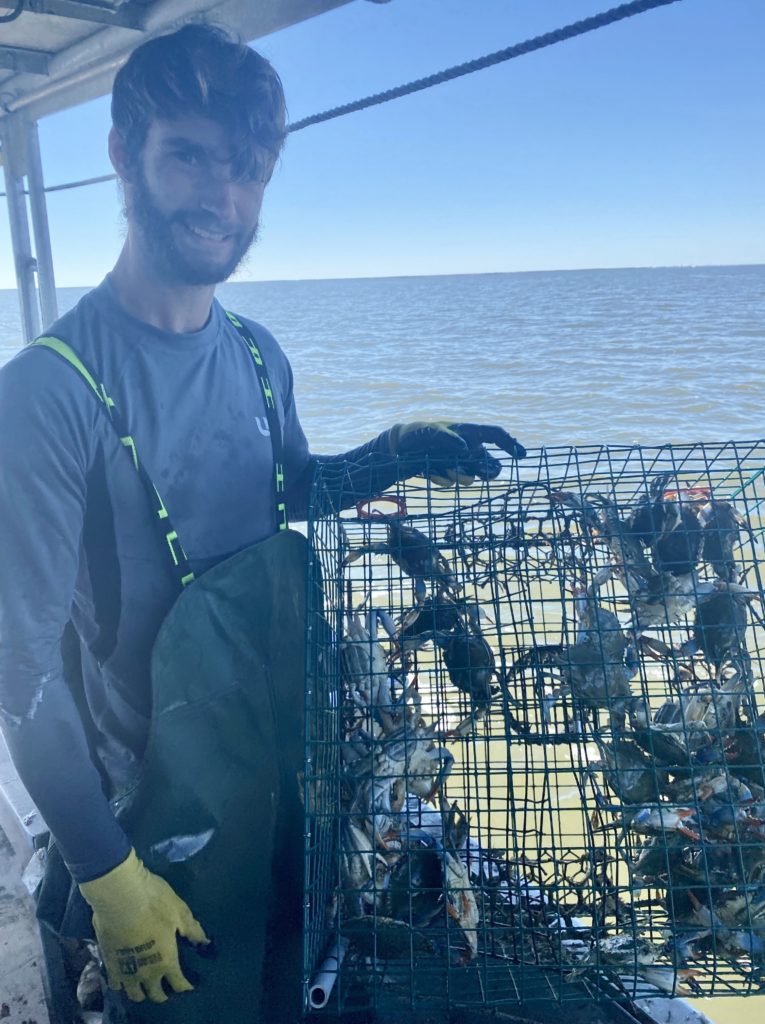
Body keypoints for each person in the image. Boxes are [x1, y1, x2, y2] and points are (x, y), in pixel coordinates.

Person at [0, 22, 525, 1023]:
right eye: (189, 155)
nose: (220, 197)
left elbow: (283, 493)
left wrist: (397, 449)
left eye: (245, 170)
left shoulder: (255, 354)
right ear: (122, 155)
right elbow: (19, 683)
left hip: (276, 784)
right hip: (142, 818)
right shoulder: (45, 395)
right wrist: (108, 878)